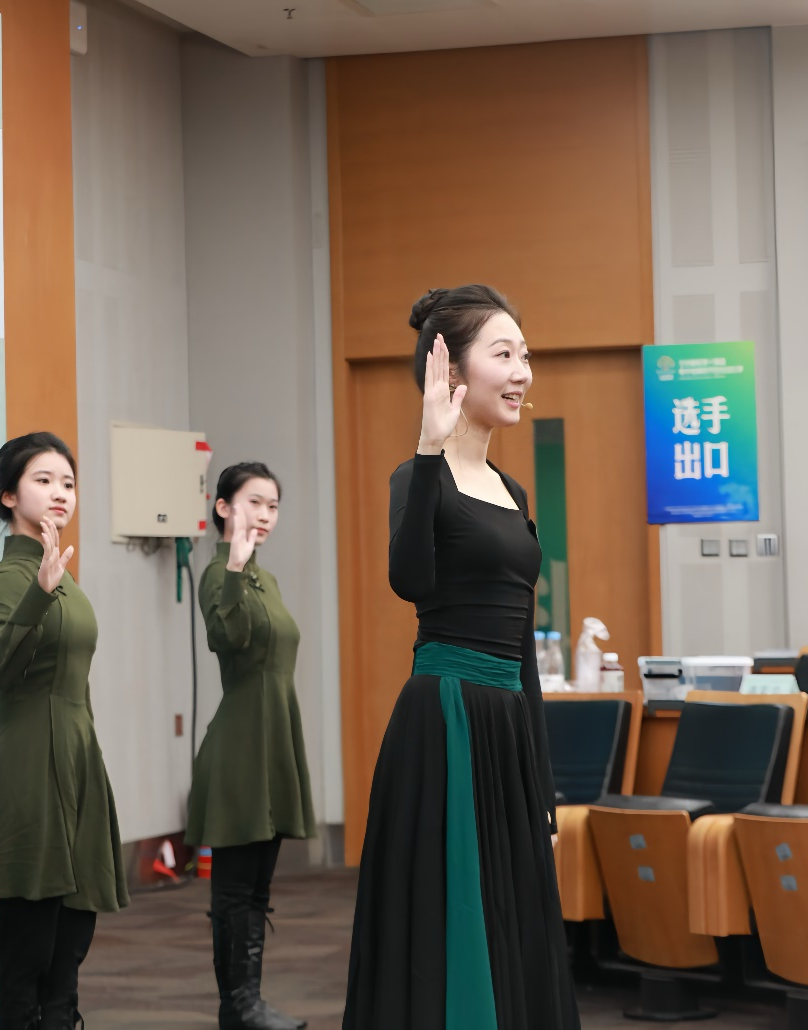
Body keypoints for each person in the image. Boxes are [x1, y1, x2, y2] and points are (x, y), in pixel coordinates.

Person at [344, 286, 578, 1028]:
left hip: (506, 722)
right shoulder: (418, 477)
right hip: (444, 717)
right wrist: (426, 447)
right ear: (451, 373)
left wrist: (541, 779)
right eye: (503, 355)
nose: (522, 373)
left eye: (525, 356)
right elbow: (409, 581)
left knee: (513, 915)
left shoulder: (512, 490)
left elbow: (521, 645)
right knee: (452, 918)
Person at [0, 431, 127, 1030]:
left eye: (68, 483)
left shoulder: (62, 575)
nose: (60, 492)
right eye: (43, 480)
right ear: (9, 496)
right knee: (27, 955)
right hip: (30, 765)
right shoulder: (9, 579)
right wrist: (38, 593)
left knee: (70, 948)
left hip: (77, 761)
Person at [187, 462, 315, 1030]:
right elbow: (227, 638)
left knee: (259, 884)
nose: (264, 515)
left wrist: (247, 568)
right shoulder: (220, 573)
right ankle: (238, 1005)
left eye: (273, 506)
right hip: (241, 742)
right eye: (254, 502)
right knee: (237, 887)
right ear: (223, 508)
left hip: (274, 736)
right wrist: (236, 567)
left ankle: (247, 1004)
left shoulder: (268, 578)